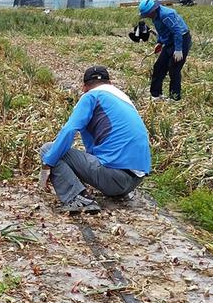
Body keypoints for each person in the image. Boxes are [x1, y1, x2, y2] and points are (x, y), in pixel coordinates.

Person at [39, 66, 151, 214]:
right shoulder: (122, 98)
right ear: (110, 83)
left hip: (114, 178)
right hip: (135, 180)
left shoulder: (91, 96)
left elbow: (69, 130)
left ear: (84, 87)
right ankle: (91, 190)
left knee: (48, 149)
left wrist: (47, 165)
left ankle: (78, 199)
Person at [138, 0, 191, 101]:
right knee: (159, 67)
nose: (147, 16)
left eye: (147, 14)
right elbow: (163, 31)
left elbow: (177, 31)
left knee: (174, 69)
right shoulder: (155, 16)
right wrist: (160, 42)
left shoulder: (166, 15)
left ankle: (174, 98)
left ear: (152, 10)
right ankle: (156, 94)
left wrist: (178, 49)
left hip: (181, 39)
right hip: (169, 41)